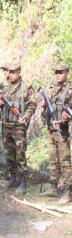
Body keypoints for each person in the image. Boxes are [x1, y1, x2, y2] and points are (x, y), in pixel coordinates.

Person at [0, 63, 36, 194]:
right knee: (9, 154)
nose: (10, 74)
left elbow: (32, 104)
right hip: (6, 125)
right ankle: (13, 178)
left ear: (19, 72)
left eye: (13, 72)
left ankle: (23, 182)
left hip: (18, 127)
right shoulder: (5, 87)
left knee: (20, 155)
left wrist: (27, 115)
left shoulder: (25, 87)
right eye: (9, 72)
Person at [40, 64, 72, 204]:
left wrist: (68, 115)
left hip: (63, 131)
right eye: (56, 72)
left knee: (65, 161)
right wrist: (43, 106)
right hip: (52, 129)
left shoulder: (70, 90)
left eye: (60, 72)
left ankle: (67, 191)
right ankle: (54, 187)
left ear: (67, 73)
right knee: (53, 159)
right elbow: (46, 106)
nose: (57, 75)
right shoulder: (52, 90)